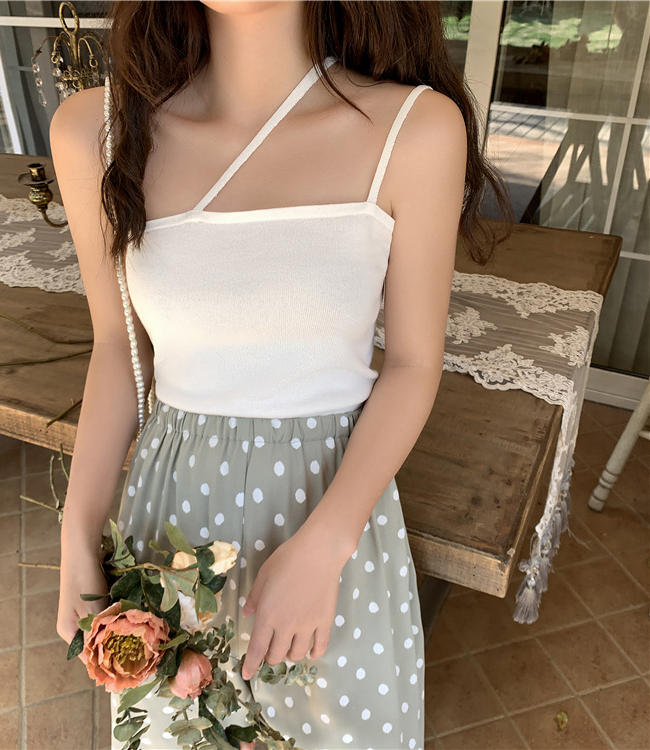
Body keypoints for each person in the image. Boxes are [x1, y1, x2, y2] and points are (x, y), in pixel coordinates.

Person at [50, 2, 513, 749]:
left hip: (332, 517)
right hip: (169, 530)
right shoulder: (95, 131)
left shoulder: (415, 129)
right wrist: (77, 530)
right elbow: (119, 348)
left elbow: (414, 363)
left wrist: (327, 545)